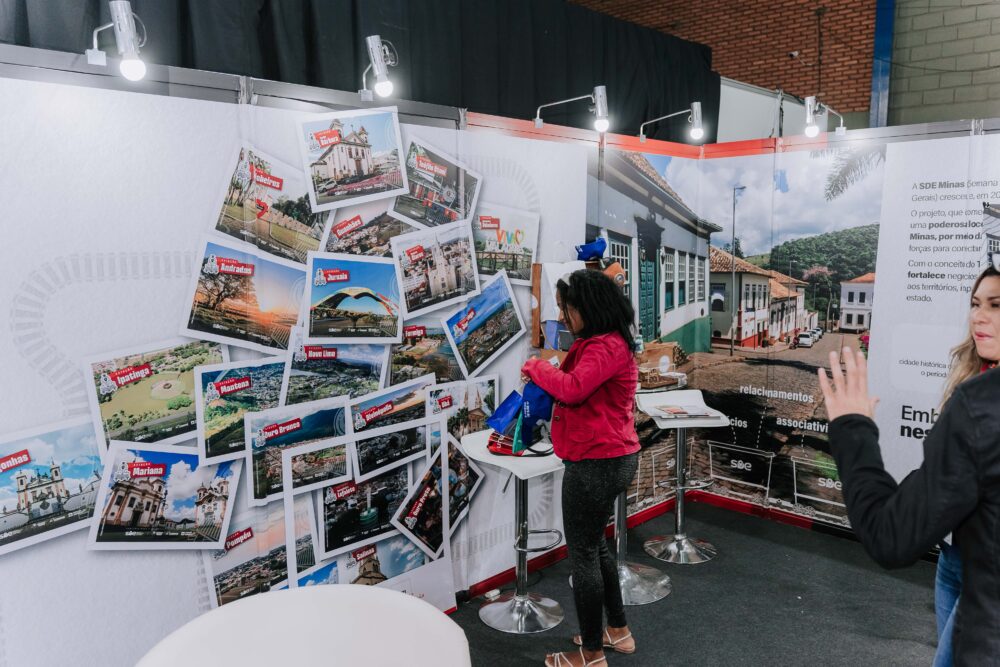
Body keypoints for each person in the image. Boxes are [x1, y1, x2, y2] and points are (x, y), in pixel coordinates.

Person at [817, 266, 1000, 665]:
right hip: (955, 555)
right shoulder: (974, 381)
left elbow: (891, 538)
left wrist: (852, 426)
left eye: (996, 305)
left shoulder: (980, 402)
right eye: (975, 304)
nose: (978, 317)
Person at [521, 269, 640, 667]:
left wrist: (537, 367)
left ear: (587, 307)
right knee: (596, 547)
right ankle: (617, 631)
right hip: (609, 459)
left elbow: (572, 389)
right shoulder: (608, 342)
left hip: (596, 463)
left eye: (566, 308)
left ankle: (590, 655)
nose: (563, 316)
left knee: (584, 555)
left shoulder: (604, 347)